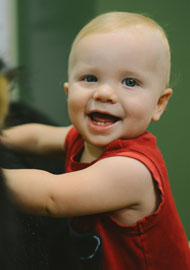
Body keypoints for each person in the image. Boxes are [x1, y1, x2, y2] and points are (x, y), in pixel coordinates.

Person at [1, 12, 190, 270]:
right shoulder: (82, 138)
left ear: (159, 104)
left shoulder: (131, 170)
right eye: (90, 78)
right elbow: (37, 138)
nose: (104, 93)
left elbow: (51, 197)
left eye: (130, 82)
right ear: (69, 92)